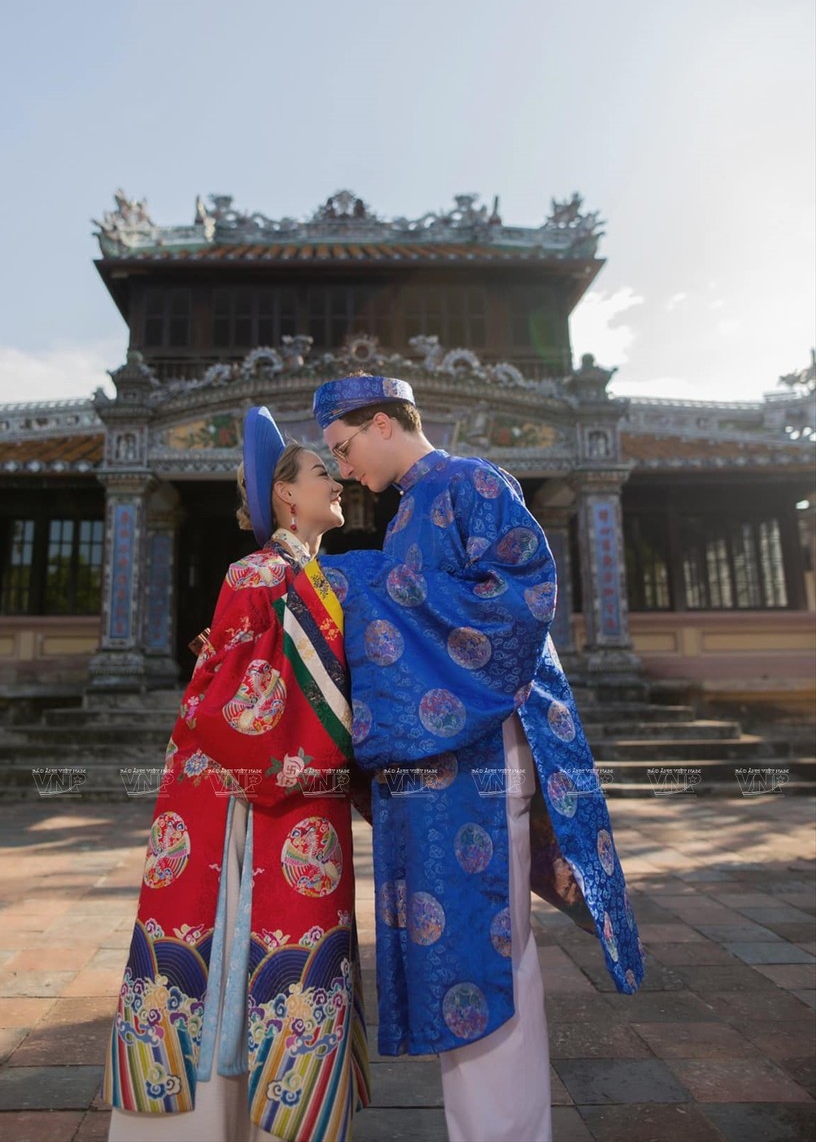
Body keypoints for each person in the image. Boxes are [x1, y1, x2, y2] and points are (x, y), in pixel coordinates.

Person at [312, 374, 644, 1142]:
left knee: (493, 947)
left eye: (346, 447)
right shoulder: (405, 515)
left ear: (387, 421)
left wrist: (358, 580)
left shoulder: (470, 482)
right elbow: (410, 622)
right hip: (438, 768)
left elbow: (521, 598)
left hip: (481, 757)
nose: (346, 468)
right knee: (456, 949)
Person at [102, 406, 371, 1142]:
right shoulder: (260, 571)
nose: (338, 478)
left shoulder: (315, 577)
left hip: (298, 790)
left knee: (286, 940)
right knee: (239, 939)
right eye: (323, 471)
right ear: (286, 495)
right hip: (255, 798)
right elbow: (232, 700)